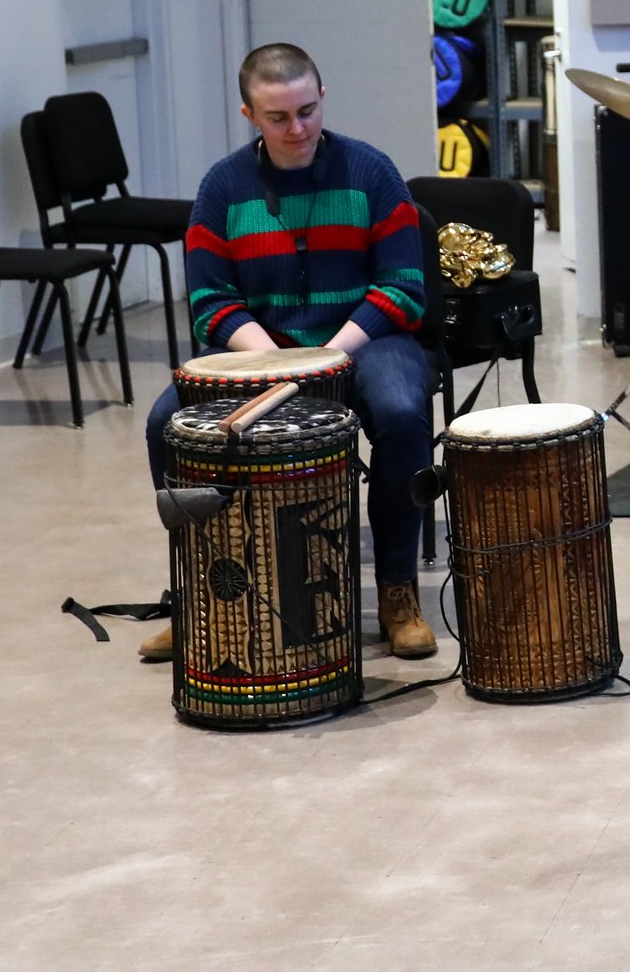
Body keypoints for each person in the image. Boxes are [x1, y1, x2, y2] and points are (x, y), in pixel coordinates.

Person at [137, 44, 436, 663]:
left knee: (404, 413)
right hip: (260, 351)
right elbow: (209, 302)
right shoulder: (222, 187)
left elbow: (403, 289)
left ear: (322, 97)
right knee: (165, 426)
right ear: (249, 114)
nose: (297, 129)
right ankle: (203, 596)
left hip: (363, 339)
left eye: (307, 110)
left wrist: (327, 354)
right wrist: (275, 360)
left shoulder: (372, 172)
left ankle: (397, 589)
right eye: (279, 118)